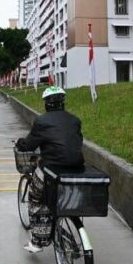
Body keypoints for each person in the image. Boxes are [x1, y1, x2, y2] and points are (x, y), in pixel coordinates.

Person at [16, 86, 84, 253]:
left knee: (36, 199)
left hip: (52, 170)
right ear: (62, 102)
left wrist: (20, 143)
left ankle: (37, 242)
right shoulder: (75, 120)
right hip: (76, 169)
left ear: (46, 103)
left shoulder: (42, 121)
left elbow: (30, 144)